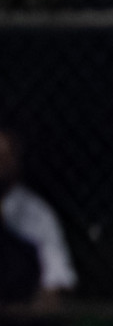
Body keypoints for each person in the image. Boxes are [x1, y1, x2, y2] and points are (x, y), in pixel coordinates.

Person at [0, 127, 77, 301]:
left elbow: (57, 277)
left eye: (4, 156)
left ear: (16, 160)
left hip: (19, 305)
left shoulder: (37, 213)